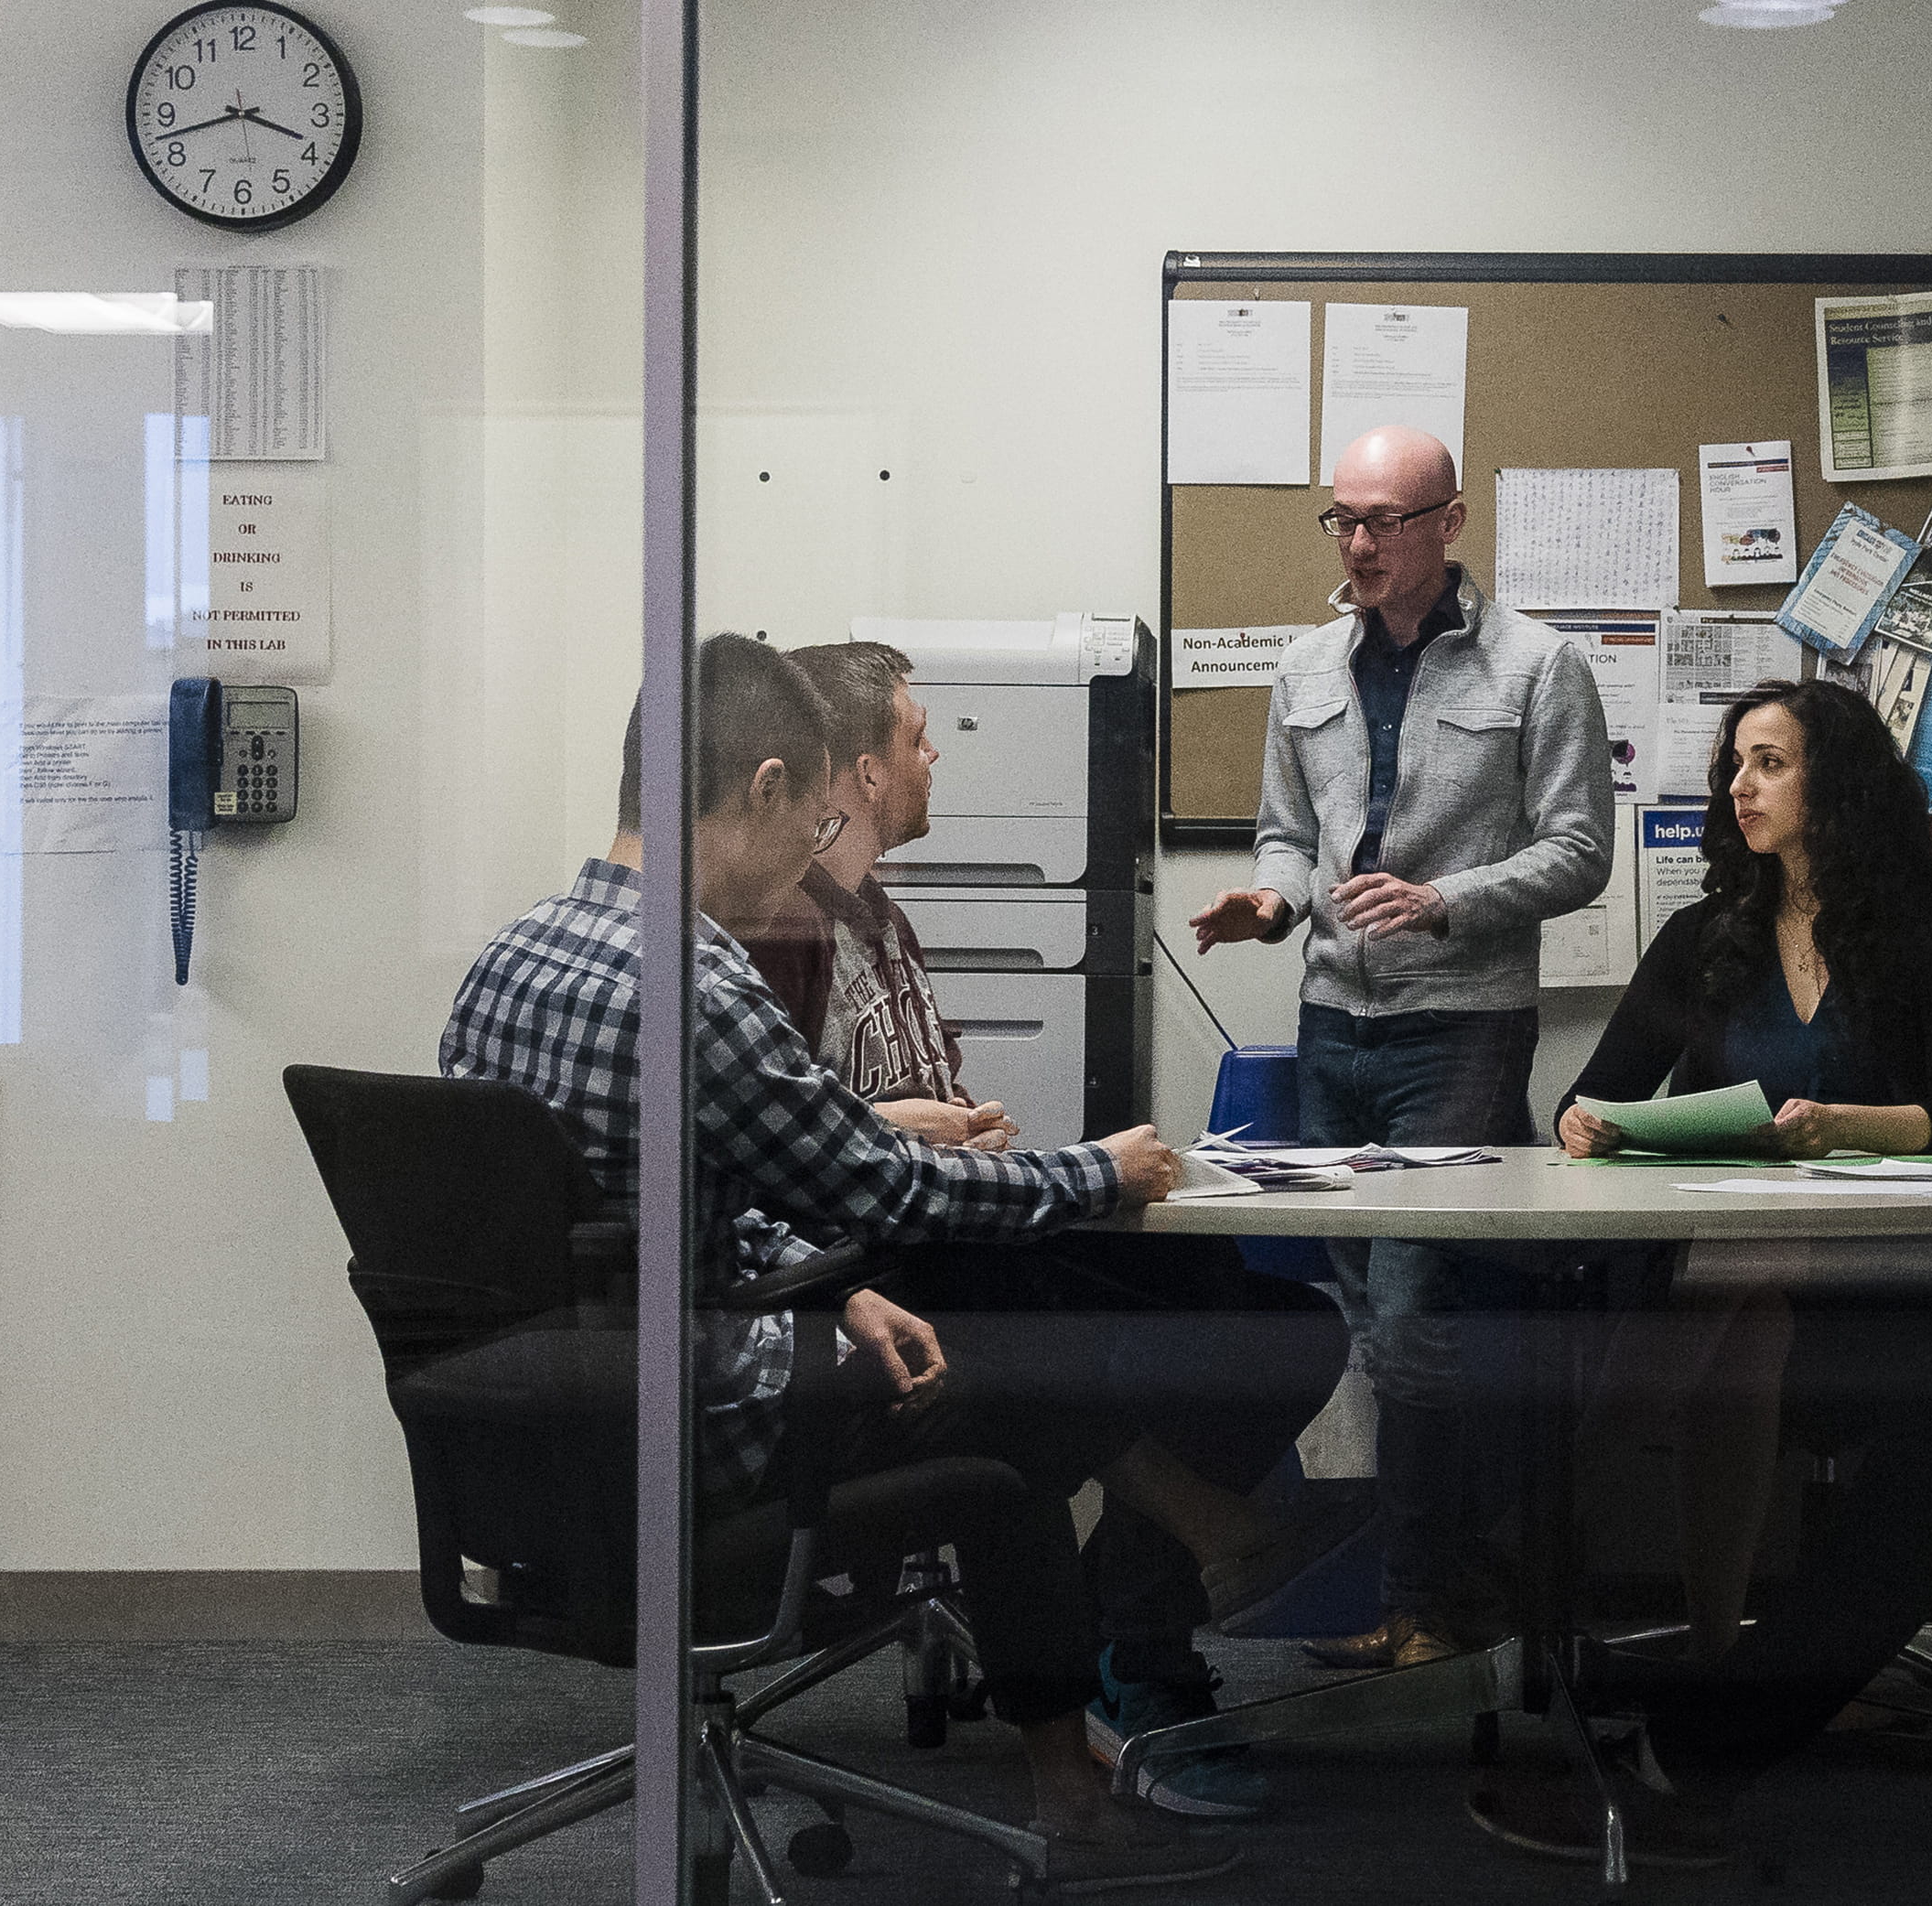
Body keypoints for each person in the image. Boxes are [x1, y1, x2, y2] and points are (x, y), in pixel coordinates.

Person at [440, 634, 1260, 1885]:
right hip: (688, 1438)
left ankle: (1074, 1759)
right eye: (812, 814)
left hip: (541, 1435)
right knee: (1011, 1406)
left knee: (954, 1352)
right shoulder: (697, 984)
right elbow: (880, 1181)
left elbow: (638, 1206)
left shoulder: (508, 961)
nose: (811, 854)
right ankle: (1075, 1794)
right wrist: (1099, 1170)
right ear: (764, 789)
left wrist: (846, 1289)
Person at [748, 639, 1358, 1822]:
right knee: (1183, 1332)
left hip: (939, 1229)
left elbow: (870, 1129)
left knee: (1268, 1317)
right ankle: (1146, 1646)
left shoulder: (873, 916)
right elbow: (786, 1160)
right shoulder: (790, 932)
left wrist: (949, 1131)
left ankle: (1122, 1619)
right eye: (917, 736)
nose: (935, 755)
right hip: (867, 1277)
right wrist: (906, 1128)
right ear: (862, 773)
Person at [1483, 679, 1932, 1858]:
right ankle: (1715, 1665)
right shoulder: (1706, 936)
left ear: (1837, 784)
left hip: (1896, 1266)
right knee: (1747, 1292)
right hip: (1740, 1267)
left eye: (1771, 763)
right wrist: (1591, 1126)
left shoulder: (1920, 933)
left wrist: (1849, 1128)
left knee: (1741, 1287)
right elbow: (1593, 1097)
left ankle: (1555, 1523)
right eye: (1736, 764)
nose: (1740, 786)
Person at [1183, 425, 1617, 1669]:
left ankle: (1431, 1593)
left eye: (1384, 519)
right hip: (1334, 1021)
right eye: (1342, 520)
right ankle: (1444, 1580)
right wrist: (1270, 901)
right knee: (1371, 1315)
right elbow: (1284, 832)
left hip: (1462, 1025)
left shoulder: (1540, 666)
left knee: (1419, 1309)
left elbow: (1579, 849)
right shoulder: (1304, 666)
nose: (1359, 544)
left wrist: (1448, 899)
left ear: (1450, 522)